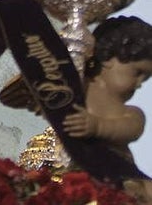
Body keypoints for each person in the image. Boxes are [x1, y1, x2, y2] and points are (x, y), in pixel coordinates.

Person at [65, 15, 152, 198]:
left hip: (119, 174)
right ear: (107, 58)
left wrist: (97, 126)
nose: (139, 84)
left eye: (145, 78)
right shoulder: (78, 90)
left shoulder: (132, 114)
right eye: (138, 73)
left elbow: (130, 129)